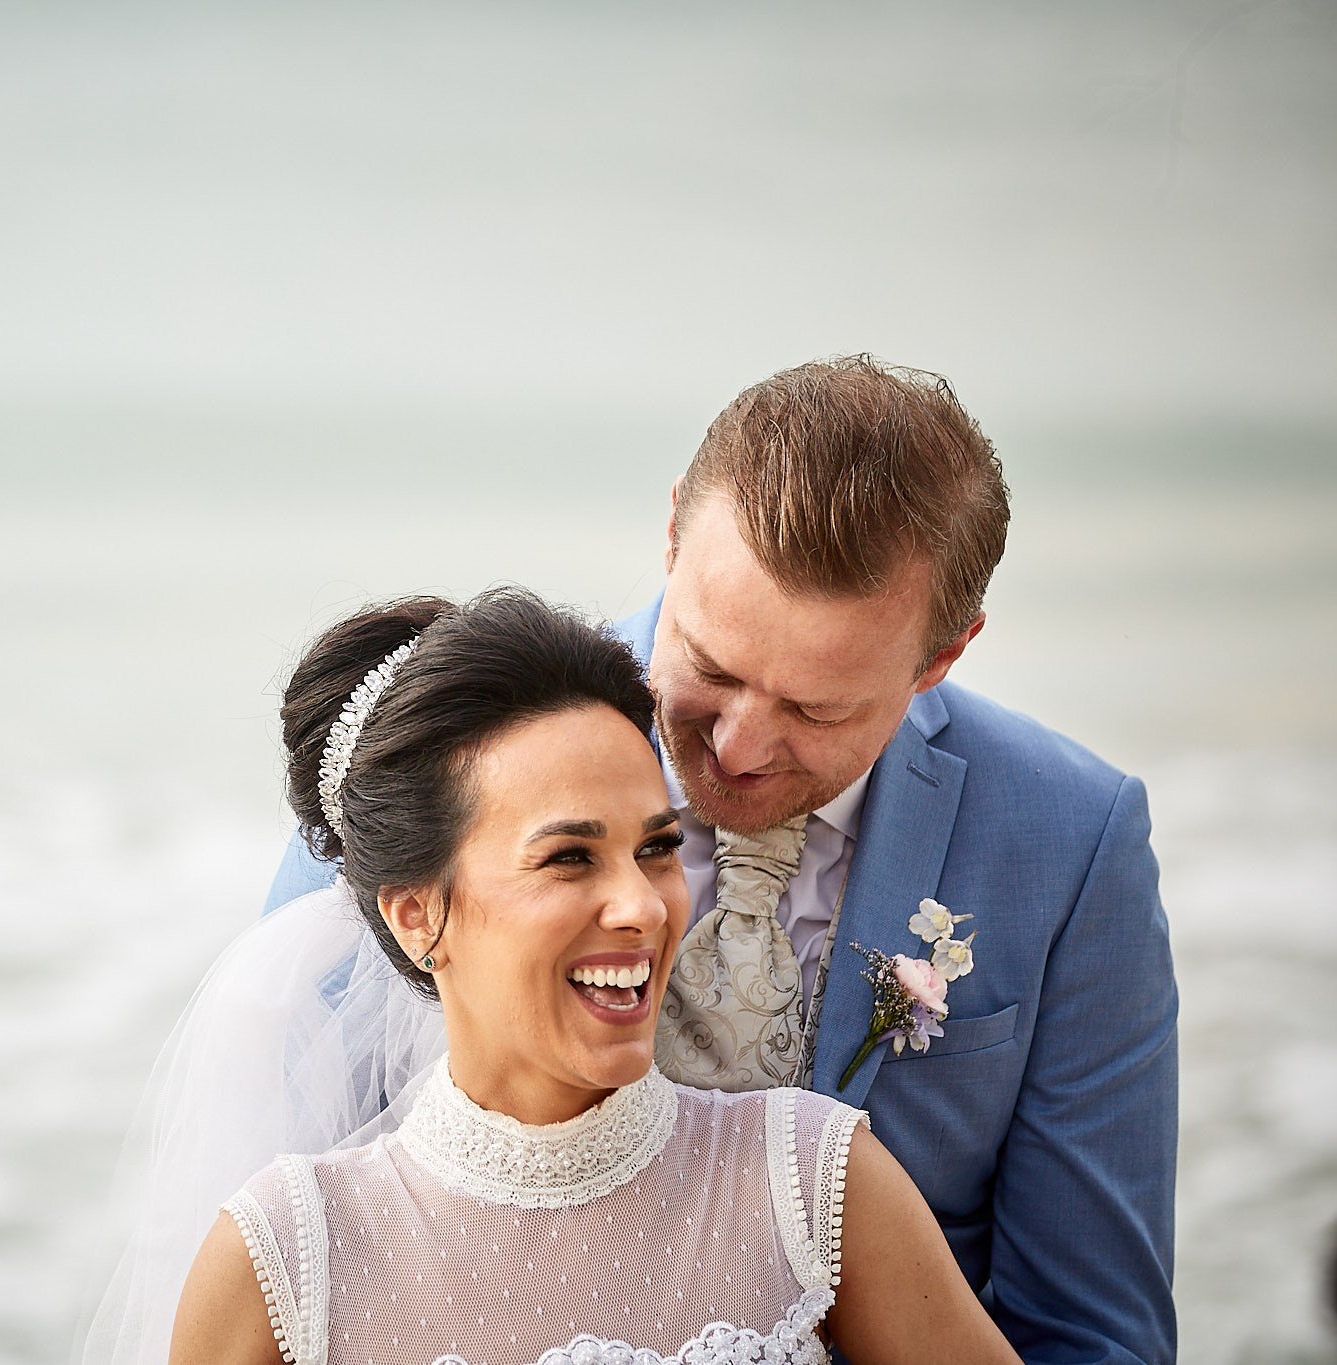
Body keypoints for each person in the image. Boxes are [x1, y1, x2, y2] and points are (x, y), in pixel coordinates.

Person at [262, 358, 1178, 1363]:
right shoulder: (433, 772)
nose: (734, 749)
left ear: (940, 656)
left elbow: (1091, 1334)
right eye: (709, 666)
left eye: (813, 707)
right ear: (670, 535)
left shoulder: (1069, 840)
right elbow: (309, 1254)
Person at [173, 587, 1019, 1364]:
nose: (645, 908)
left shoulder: (816, 1181)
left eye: (656, 847)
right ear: (418, 914)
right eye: (570, 856)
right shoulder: (288, 1263)